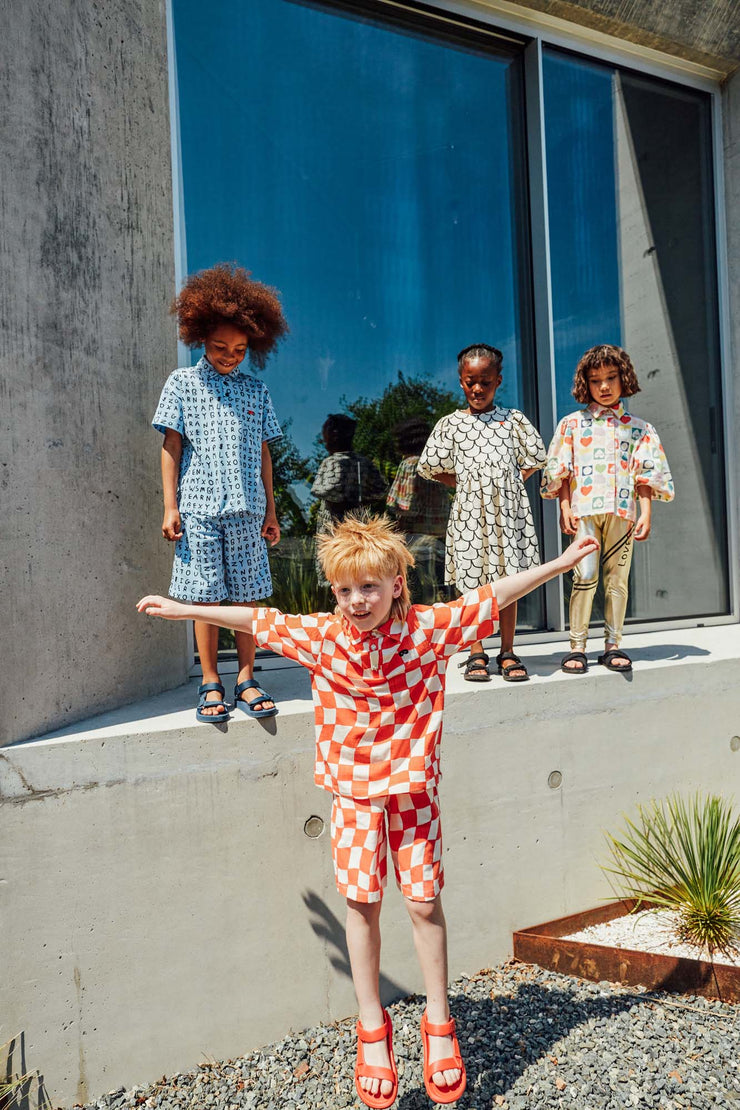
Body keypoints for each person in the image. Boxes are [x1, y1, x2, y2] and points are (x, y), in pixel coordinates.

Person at [138, 514, 599, 1107]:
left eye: (370, 588)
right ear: (335, 590)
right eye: (346, 589)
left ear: (396, 584)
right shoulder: (323, 637)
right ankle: (371, 1029)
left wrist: (561, 565)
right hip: (354, 796)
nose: (358, 601)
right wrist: (186, 610)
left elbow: (495, 593)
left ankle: (439, 1021)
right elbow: (258, 620)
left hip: (413, 794)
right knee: (362, 905)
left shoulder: (427, 631)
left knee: (425, 902)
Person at [152, 263, 287, 722]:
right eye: (219, 347)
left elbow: (266, 455)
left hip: (249, 511)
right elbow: (171, 446)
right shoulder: (182, 384)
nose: (230, 356)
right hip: (199, 511)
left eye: (240, 349)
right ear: (200, 338)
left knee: (247, 598)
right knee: (205, 599)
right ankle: (211, 680)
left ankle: (247, 678)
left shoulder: (257, 391)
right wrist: (171, 506)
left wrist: (271, 509)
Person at [541, 343, 674, 674]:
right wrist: (565, 506)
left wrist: (646, 511)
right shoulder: (572, 424)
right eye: (596, 379)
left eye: (611, 378)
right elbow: (563, 470)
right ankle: (577, 646)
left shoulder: (639, 428)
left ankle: (613, 644)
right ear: (585, 382)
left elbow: (645, 473)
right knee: (584, 575)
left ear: (623, 378)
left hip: (622, 512)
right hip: (585, 512)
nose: (603, 386)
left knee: (618, 579)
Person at [417, 344, 546, 683]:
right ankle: (476, 651)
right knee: (473, 583)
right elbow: (429, 467)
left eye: (485, 382)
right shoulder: (451, 425)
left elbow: (534, 458)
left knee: (508, 582)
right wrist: (465, 485)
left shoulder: (512, 420)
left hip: (507, 514)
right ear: (461, 381)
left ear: (498, 382)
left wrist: (509, 484)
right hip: (470, 514)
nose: (477, 389)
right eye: (470, 381)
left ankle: (507, 650)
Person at [386, 416, 450, 602]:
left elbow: (404, 505)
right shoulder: (435, 465)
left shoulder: (410, 464)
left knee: (414, 591)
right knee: (439, 589)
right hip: (438, 538)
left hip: (414, 537)